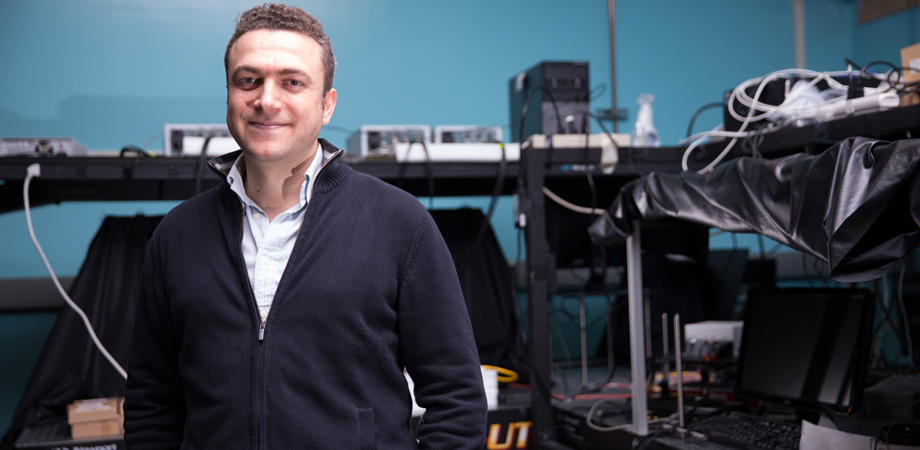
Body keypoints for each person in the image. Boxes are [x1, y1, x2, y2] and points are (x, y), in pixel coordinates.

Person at [123, 4, 487, 449]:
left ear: (326, 104)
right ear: (230, 94)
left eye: (292, 82)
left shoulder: (400, 223)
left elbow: (458, 401)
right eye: (248, 80)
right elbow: (151, 403)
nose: (267, 99)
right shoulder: (176, 236)